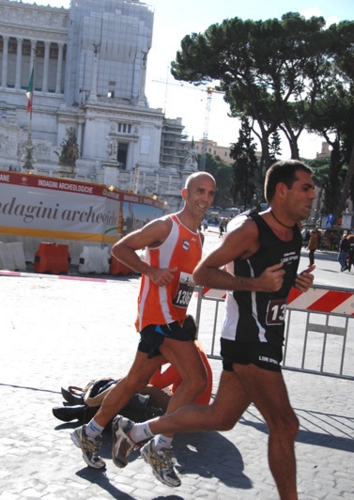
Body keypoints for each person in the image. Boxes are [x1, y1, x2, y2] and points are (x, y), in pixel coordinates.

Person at [112, 160, 316, 499]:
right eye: (306, 188)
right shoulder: (249, 229)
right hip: (248, 339)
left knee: (221, 418)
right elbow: (204, 274)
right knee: (285, 425)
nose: (313, 195)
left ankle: (137, 432)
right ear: (282, 191)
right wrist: (257, 284)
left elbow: (272, 283)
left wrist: (294, 283)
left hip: (269, 335)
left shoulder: (294, 231)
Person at [70, 171, 216, 478]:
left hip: (173, 319)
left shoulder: (200, 237)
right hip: (157, 319)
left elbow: (186, 279)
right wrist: (150, 270)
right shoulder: (166, 226)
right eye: (199, 191)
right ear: (185, 194)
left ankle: (90, 431)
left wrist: (198, 285)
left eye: (211, 193)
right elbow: (120, 248)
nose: (205, 198)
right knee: (197, 380)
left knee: (134, 383)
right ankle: (159, 443)